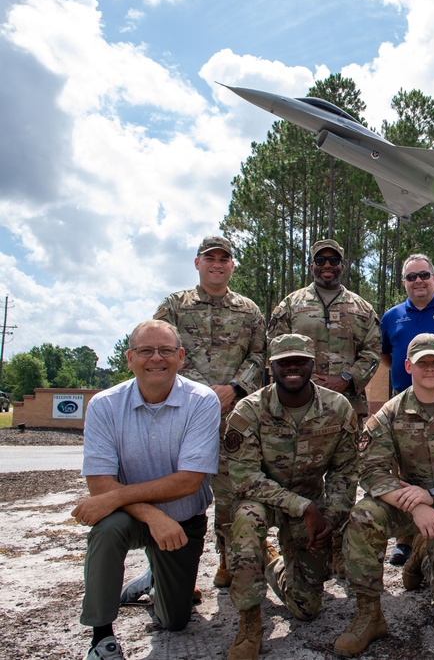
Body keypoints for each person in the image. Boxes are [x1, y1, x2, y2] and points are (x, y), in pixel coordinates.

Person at [334, 333, 434, 657]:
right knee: (363, 516)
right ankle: (369, 615)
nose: (428, 369)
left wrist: (432, 497)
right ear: (407, 366)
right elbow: (371, 469)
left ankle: (422, 554)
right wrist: (418, 506)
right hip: (407, 504)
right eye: (421, 362)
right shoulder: (389, 414)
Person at [72, 320, 221, 660]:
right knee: (106, 530)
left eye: (166, 350)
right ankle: (101, 639)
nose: (156, 358)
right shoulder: (104, 405)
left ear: (181, 356)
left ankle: (155, 577)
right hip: (132, 520)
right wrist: (153, 516)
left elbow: (188, 481)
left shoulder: (202, 401)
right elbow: (99, 482)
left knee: (174, 621)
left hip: (183, 522)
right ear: (129, 358)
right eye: (145, 351)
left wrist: (116, 496)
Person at [140, 234, 266, 594]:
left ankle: (228, 562)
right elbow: (159, 352)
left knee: (232, 493)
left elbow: (259, 356)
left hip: (235, 415)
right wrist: (199, 391)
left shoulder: (249, 310)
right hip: (182, 413)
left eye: (224, 259)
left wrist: (233, 389)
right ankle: (175, 573)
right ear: (197, 263)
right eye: (209, 258)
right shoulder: (174, 306)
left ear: (231, 265)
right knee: (178, 494)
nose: (217, 264)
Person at [224, 334, 358, 660]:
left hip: (310, 508)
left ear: (313, 365)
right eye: (285, 362)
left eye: (300, 361)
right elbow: (245, 479)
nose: (293, 367)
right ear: (272, 368)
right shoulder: (249, 411)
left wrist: (331, 519)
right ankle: (250, 622)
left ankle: (273, 564)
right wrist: (303, 507)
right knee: (245, 518)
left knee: (306, 609)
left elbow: (345, 473)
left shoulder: (338, 409)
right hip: (264, 503)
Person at [268, 238, 381, 574]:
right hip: (297, 407)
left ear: (342, 265)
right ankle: (300, 540)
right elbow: (273, 349)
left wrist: (346, 378)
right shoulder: (290, 306)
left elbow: (373, 351)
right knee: (300, 473)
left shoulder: (361, 308)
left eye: (334, 260)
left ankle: (339, 547)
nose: (327, 266)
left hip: (345, 406)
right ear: (312, 265)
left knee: (345, 476)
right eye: (321, 261)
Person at [380, 253, 434, 565]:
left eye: (424, 275)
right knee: (405, 469)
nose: (418, 281)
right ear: (404, 283)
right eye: (411, 277)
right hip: (405, 403)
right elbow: (387, 356)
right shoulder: (391, 317)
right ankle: (405, 539)